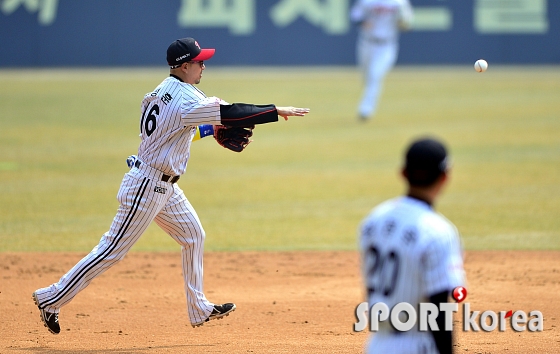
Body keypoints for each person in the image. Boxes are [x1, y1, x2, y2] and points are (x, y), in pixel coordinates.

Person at [32, 37, 310, 335]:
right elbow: (232, 112)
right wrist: (275, 110)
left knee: (193, 236)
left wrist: (211, 130)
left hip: (162, 186)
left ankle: (199, 308)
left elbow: (178, 131)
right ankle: (51, 297)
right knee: (111, 250)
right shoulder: (186, 99)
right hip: (147, 186)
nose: (204, 66)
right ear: (185, 65)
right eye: (200, 61)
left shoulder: (161, 92)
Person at [358, 137, 466, 354]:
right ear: (445, 177)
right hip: (419, 346)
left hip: (377, 345)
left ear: (403, 173)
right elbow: (439, 310)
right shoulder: (438, 231)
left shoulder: (372, 222)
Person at [350, 0, 413, 121]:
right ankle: (368, 100)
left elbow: (407, 23)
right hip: (367, 43)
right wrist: (362, 22)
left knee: (375, 75)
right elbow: (355, 15)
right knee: (367, 77)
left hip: (386, 46)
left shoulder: (399, 3)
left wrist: (403, 22)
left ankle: (365, 110)